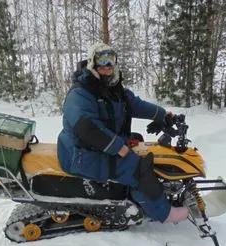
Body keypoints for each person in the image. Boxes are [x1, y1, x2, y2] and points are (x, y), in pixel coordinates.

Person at [57, 42, 189, 224]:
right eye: (102, 61)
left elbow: (135, 104)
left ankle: (138, 196)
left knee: (139, 142)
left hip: (95, 146)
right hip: (81, 154)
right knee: (137, 167)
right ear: (92, 63)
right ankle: (164, 213)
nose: (107, 67)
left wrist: (163, 116)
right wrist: (118, 147)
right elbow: (86, 128)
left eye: (110, 61)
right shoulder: (81, 93)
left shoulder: (112, 88)